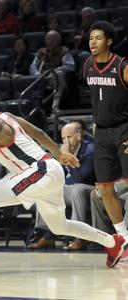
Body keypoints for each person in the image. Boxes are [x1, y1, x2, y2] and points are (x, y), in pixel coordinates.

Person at [0, 87, 128, 275]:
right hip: (49, 171)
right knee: (59, 226)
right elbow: (38, 133)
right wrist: (58, 154)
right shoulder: (9, 117)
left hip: (39, 171)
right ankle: (112, 242)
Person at [84, 21, 128, 239]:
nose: (93, 42)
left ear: (109, 41)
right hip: (101, 132)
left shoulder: (122, 66)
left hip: (124, 130)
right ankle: (123, 237)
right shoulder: (87, 66)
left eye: (98, 38)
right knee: (105, 187)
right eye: (91, 38)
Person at [28, 121, 95, 251]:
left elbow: (80, 178)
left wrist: (67, 158)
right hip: (69, 189)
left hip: (88, 190)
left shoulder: (89, 150)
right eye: (63, 138)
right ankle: (46, 235)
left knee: (78, 189)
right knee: (47, 190)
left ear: (79, 136)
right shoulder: (62, 151)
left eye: (69, 137)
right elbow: (59, 177)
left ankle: (77, 237)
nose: (65, 141)